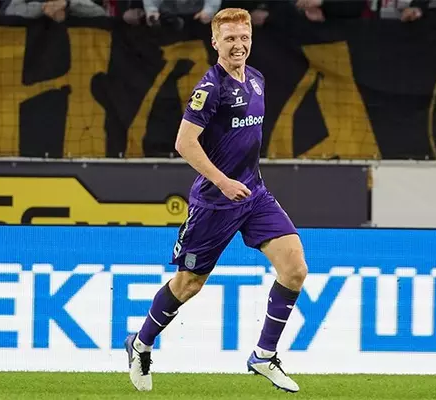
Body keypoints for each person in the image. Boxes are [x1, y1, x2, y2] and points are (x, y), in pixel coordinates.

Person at [123, 7, 308, 393]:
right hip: (215, 201)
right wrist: (223, 182)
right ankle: (140, 344)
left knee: (294, 269)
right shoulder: (210, 89)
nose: (238, 45)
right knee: (189, 284)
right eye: (230, 39)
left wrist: (240, 179)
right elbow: (184, 143)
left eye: (244, 37)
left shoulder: (256, 79)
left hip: (253, 195)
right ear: (215, 42)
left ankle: (263, 356)